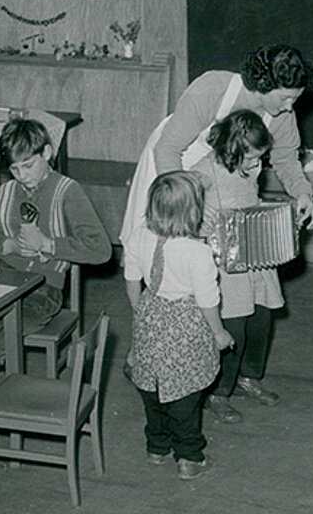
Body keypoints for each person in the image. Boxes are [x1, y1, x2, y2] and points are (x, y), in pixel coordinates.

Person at [0, 118, 111, 390]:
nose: (22, 175)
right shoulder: (6, 192)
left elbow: (101, 249)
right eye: (14, 168)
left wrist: (49, 244)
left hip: (40, 292)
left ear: (47, 154)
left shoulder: (67, 191)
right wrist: (8, 246)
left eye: (28, 165)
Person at [121, 44, 313, 245]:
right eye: (285, 98)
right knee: (166, 244)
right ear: (264, 84)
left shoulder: (283, 116)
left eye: (294, 99)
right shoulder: (211, 89)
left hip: (227, 177)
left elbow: (286, 160)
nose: (289, 107)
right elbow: (168, 149)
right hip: (175, 163)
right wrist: (187, 203)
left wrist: (303, 193)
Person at [123, 171, 234, 480]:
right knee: (184, 395)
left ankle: (157, 447)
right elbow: (208, 300)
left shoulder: (138, 235)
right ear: (193, 212)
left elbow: (132, 279)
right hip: (186, 327)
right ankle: (189, 457)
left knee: (152, 387)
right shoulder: (197, 252)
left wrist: (140, 312)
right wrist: (218, 333)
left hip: (149, 317)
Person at [190, 110, 283, 424]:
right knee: (234, 332)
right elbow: (188, 217)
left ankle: (248, 377)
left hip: (255, 261)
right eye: (251, 158)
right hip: (224, 267)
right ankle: (217, 391)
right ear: (231, 149)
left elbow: (250, 201)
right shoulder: (204, 172)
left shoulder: (250, 168)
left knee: (260, 322)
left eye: (260, 158)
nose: (257, 166)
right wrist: (206, 225)